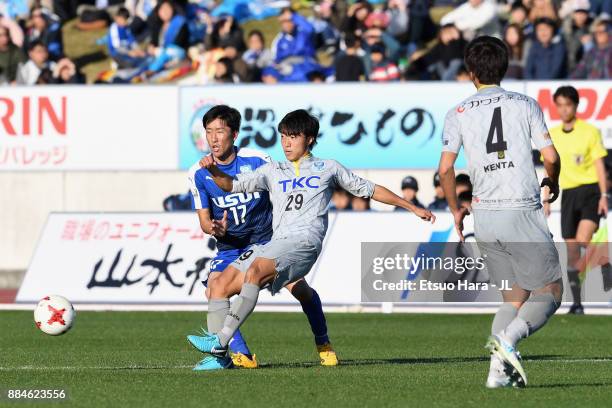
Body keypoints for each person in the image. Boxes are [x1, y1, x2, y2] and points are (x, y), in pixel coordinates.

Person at [188, 109, 435, 367]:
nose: (286, 143)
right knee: (219, 285)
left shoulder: (328, 168)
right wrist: (214, 171)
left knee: (256, 271)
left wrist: (411, 206)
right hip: (275, 243)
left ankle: (220, 341)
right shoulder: (273, 170)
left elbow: (370, 189)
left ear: (310, 139)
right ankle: (222, 356)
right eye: (283, 136)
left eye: (293, 136)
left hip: (305, 243)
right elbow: (232, 184)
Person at [438, 36, 563, 388]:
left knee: (514, 295)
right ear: (505, 67)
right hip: (520, 210)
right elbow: (550, 157)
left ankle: (498, 370)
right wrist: (552, 181)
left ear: (471, 71)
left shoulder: (457, 112)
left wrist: (455, 209)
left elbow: (445, 169)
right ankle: (509, 342)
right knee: (551, 291)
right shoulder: (524, 104)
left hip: (485, 216)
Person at [187, 106, 338, 371]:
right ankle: (238, 355)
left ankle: (323, 342)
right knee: (214, 288)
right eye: (208, 132)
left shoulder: (257, 160)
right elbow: (204, 221)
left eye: (219, 131)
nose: (213, 138)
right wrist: (215, 229)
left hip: (269, 242)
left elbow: (284, 188)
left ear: (234, 134)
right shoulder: (198, 172)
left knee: (302, 291)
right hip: (230, 248)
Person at [544, 86, 609, 314]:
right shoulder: (551, 133)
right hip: (568, 194)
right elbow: (549, 169)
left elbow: (600, 165)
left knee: (583, 240)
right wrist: (546, 199)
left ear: (575, 105)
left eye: (568, 105)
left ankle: (604, 263)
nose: (564, 110)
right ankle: (577, 303)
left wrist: (604, 195)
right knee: (572, 253)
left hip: (590, 191)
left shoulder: (590, 131)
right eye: (559, 105)